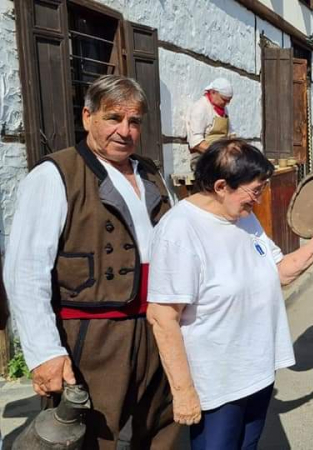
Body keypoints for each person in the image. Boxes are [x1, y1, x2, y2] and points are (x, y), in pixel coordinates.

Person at [3, 75, 180, 447]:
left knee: (162, 426)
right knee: (92, 437)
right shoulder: (55, 175)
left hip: (157, 326)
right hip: (93, 338)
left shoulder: (150, 172)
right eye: (113, 118)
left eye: (134, 122)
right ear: (87, 117)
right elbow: (25, 271)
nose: (124, 131)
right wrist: (45, 352)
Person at [147, 139, 313, 448]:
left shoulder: (243, 217)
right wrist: (183, 391)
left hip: (256, 372)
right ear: (221, 186)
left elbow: (280, 271)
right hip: (218, 384)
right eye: (255, 191)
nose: (258, 199)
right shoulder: (180, 230)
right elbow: (162, 317)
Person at [186, 78, 234, 168]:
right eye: (224, 99)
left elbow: (231, 134)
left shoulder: (223, 109)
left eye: (228, 101)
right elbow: (196, 142)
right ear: (213, 92)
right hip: (202, 157)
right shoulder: (200, 108)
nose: (226, 103)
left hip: (222, 155)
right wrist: (220, 154)